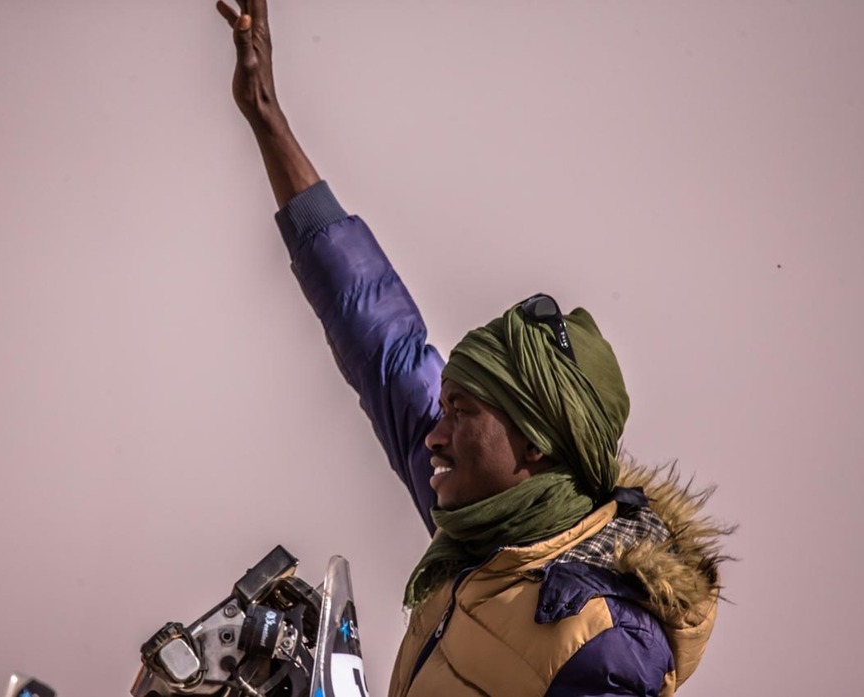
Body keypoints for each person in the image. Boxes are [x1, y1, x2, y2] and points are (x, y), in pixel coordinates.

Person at [214, 2, 731, 695]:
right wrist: (268, 118)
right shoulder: (481, 532)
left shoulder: (603, 643)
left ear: (536, 443)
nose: (434, 433)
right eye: (445, 406)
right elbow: (376, 333)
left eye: (461, 413)